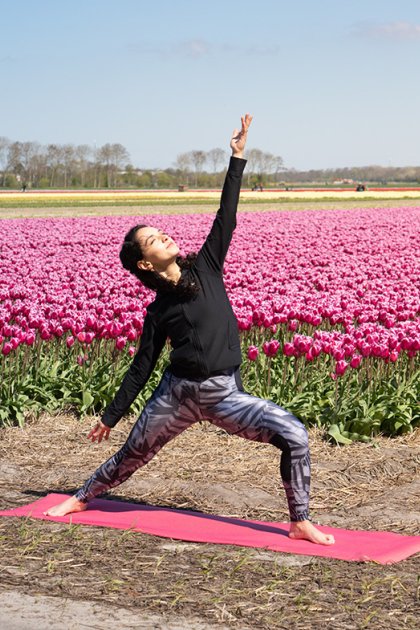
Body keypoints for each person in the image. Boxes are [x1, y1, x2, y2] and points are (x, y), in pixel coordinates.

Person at [45, 115, 334, 546]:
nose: (164, 237)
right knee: (133, 455)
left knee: (293, 433)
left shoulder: (208, 267)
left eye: (162, 233)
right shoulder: (158, 310)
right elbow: (142, 366)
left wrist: (236, 157)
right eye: (154, 240)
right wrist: (111, 416)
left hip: (225, 396)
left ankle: (299, 520)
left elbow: (226, 216)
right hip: (176, 395)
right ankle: (82, 497)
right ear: (145, 263)